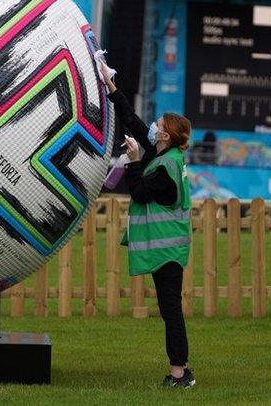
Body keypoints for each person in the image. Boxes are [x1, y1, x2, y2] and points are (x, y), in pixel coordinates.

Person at [97, 56, 196, 389]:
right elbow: (132, 120)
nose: (154, 126)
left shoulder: (163, 167)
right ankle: (181, 370)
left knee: (171, 311)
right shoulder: (166, 155)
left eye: (159, 124)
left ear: (166, 135)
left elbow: (139, 194)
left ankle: (180, 373)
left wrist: (134, 162)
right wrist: (111, 85)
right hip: (166, 249)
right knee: (169, 310)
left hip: (166, 251)